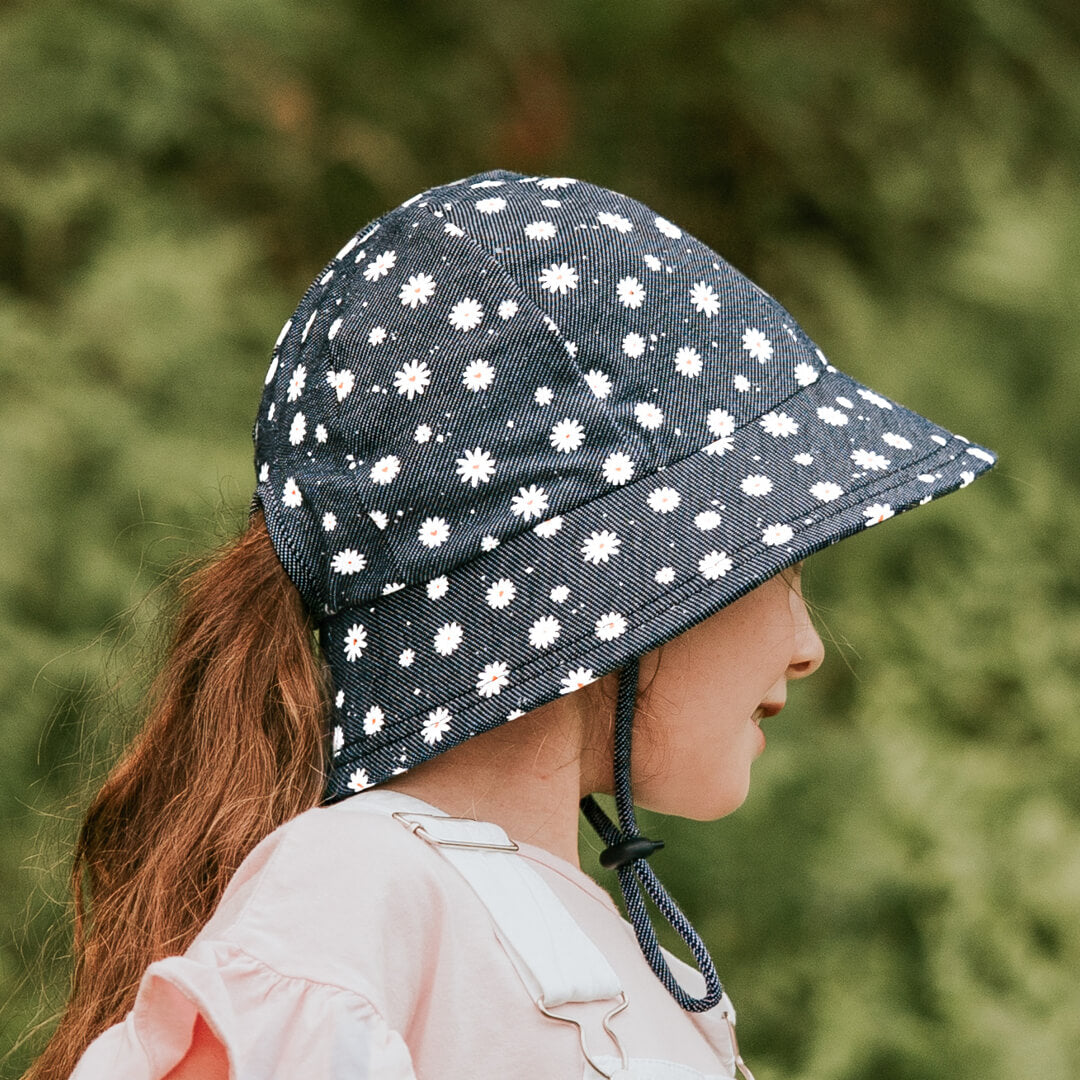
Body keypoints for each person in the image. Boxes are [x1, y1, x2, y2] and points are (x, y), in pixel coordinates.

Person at [31, 169, 996, 1080]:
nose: (810, 645)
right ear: (613, 570)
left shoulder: (638, 968)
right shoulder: (361, 889)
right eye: (777, 563)